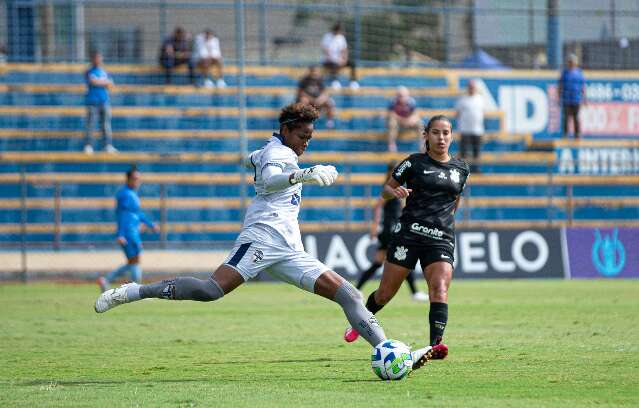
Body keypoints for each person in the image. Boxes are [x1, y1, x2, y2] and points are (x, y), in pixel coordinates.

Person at [94, 103, 434, 371]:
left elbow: (253, 161)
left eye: (310, 138)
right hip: (261, 238)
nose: (306, 142)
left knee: (347, 293)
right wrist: (305, 174)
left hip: (289, 248)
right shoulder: (279, 154)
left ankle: (386, 350)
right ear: (286, 130)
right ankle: (135, 291)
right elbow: (271, 178)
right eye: (302, 136)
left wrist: (256, 161)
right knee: (211, 290)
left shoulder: (271, 149)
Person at [343, 115, 470, 361]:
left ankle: (435, 346)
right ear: (426, 136)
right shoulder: (413, 163)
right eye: (435, 132)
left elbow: (456, 202)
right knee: (384, 294)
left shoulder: (461, 168)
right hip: (408, 235)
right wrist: (396, 191)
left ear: (452, 136)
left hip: (440, 238)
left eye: (445, 133)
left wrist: (443, 224)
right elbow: (386, 190)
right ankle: (360, 323)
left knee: (440, 289)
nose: (441, 138)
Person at [352, 161, 429, 304]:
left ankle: (356, 289)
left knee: (378, 262)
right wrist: (375, 225)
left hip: (391, 228)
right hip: (390, 230)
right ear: (389, 172)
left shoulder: (397, 187)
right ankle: (415, 292)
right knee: (402, 259)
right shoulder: (389, 188)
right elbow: (378, 206)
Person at [97, 165, 159, 292]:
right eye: (135, 179)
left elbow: (138, 213)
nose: (138, 182)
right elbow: (122, 215)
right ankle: (135, 290)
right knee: (135, 260)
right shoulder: (125, 194)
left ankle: (108, 280)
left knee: (133, 261)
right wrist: (121, 234)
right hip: (129, 232)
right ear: (128, 179)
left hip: (133, 231)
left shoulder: (132, 194)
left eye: (139, 179)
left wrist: (150, 224)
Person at [84, 51, 116, 154]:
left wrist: (102, 82)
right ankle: (89, 146)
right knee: (90, 125)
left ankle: (107, 145)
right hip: (92, 101)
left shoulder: (103, 72)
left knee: (106, 125)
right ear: (93, 59)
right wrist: (104, 82)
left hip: (104, 101)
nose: (99, 60)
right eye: (97, 58)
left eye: (100, 58)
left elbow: (111, 83)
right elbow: (93, 81)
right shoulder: (89, 71)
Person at [455, 80, 484, 173]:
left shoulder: (480, 99)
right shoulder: (462, 99)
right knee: (464, 151)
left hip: (477, 130)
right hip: (465, 129)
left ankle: (476, 169)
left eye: (473, 87)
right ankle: (463, 169)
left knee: (476, 151)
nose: (471, 89)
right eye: (470, 87)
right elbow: (457, 113)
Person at [320, 22, 359, 91]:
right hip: (328, 60)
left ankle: (353, 82)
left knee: (352, 64)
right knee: (334, 64)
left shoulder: (341, 37)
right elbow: (325, 50)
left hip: (339, 60)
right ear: (335, 30)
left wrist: (344, 59)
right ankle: (335, 82)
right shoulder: (327, 36)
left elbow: (344, 50)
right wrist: (335, 59)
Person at [558, 54, 586, 139]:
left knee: (576, 117)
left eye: (573, 62)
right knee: (566, 117)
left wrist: (584, 99)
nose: (571, 63)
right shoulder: (565, 73)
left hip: (576, 99)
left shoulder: (579, 73)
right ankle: (566, 134)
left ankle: (577, 134)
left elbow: (583, 87)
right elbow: (560, 86)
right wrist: (559, 97)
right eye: (570, 62)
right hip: (566, 99)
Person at [387, 86, 422, 152]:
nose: (402, 98)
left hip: (408, 121)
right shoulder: (393, 102)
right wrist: (402, 120)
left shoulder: (411, 102)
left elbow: (416, 115)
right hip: (398, 121)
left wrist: (411, 120)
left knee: (420, 123)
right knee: (392, 122)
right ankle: (391, 144)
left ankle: (422, 145)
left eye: (404, 96)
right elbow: (390, 114)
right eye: (400, 96)